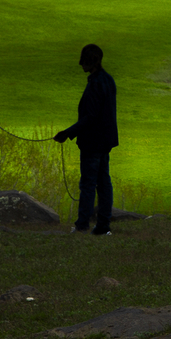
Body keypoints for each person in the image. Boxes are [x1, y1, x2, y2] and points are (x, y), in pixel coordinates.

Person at [55, 44, 118, 236]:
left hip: (92, 142)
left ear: (90, 62)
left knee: (89, 184)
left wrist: (67, 132)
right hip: (105, 141)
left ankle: (82, 225)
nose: (81, 63)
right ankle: (103, 225)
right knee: (103, 182)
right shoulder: (108, 80)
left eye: (84, 60)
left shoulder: (95, 84)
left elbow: (90, 117)